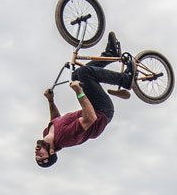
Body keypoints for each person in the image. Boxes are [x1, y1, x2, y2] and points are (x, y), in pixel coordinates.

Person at [35, 32, 134, 168]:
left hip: (94, 107)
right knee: (84, 73)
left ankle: (110, 54)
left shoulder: (46, 133)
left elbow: (56, 119)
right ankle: (126, 79)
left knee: (77, 75)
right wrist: (79, 92)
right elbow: (91, 118)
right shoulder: (64, 138)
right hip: (101, 112)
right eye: (41, 155)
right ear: (51, 152)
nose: (37, 151)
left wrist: (51, 101)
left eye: (36, 154)